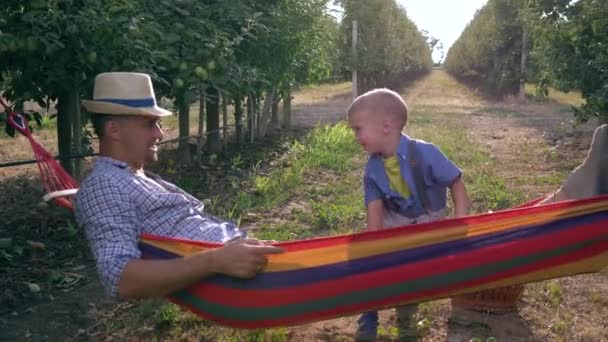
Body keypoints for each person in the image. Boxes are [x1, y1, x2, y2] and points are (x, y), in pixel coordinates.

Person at [74, 72, 283, 300]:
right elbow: (119, 279)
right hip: (236, 276)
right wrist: (216, 260)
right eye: (150, 124)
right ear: (113, 130)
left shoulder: (133, 176)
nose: (160, 134)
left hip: (244, 262)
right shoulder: (105, 185)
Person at [346, 88, 472, 341]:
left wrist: (459, 226)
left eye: (358, 128)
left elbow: (457, 185)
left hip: (429, 219)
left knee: (428, 266)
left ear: (386, 126)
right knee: (368, 258)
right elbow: (375, 220)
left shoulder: (425, 153)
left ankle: (409, 305)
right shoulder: (372, 170)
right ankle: (369, 314)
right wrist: (373, 250)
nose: (354, 135)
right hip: (398, 221)